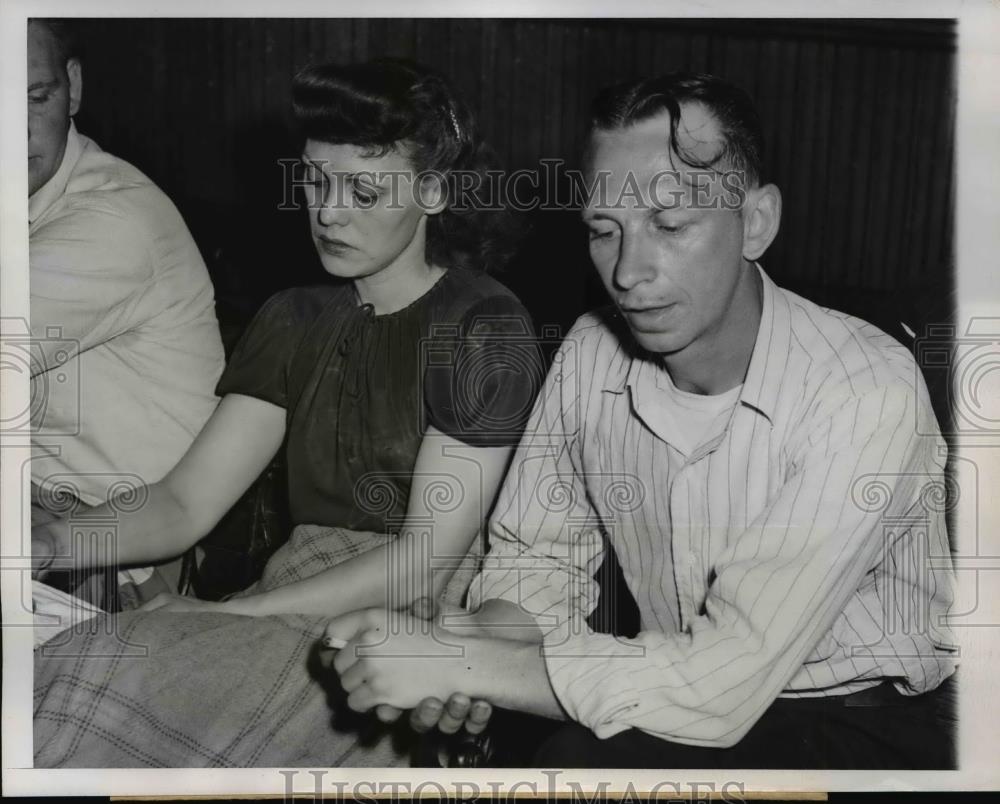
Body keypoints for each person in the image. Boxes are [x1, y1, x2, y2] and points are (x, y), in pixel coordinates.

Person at [324, 72, 959, 770]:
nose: (628, 271)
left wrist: (469, 668)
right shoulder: (593, 352)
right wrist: (469, 650)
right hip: (664, 690)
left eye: (669, 224)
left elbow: (722, 682)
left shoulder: (866, 387)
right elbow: (538, 562)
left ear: (756, 222)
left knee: (574, 763)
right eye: (604, 230)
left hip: (866, 728)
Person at [33, 59, 540, 768]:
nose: (328, 210)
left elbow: (424, 563)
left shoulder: (484, 325)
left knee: (106, 674)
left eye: (363, 189)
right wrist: (53, 542)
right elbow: (184, 503)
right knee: (72, 668)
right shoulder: (293, 318)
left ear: (432, 192)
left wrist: (220, 618)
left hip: (400, 634)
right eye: (314, 178)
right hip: (287, 594)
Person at [28, 19, 225, 523]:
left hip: (122, 553)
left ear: (72, 87)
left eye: (36, 97)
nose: (16, 129)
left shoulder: (114, 219)